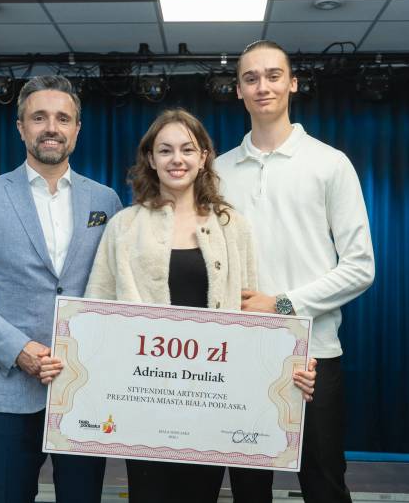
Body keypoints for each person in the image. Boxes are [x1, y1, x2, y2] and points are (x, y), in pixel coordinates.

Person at [75, 108, 316, 503]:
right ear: (150, 158)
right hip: (143, 403)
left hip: (210, 406)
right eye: (165, 150)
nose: (177, 159)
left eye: (188, 149)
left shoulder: (232, 226)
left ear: (204, 157)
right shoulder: (124, 226)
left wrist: (289, 362)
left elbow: (252, 320)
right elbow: (95, 314)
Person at [0, 75, 122, 503]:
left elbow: (117, 293)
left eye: (63, 118)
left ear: (78, 128)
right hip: (8, 391)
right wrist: (18, 349)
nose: (51, 128)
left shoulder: (106, 201)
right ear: (21, 127)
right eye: (39, 117)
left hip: (85, 390)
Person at [216, 40, 375, 502]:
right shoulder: (218, 171)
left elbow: (360, 267)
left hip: (314, 355)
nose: (262, 86)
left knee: (324, 486)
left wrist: (282, 304)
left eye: (273, 75)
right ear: (238, 91)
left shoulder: (330, 164)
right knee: (248, 490)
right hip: (240, 353)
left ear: (293, 83)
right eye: (250, 78)